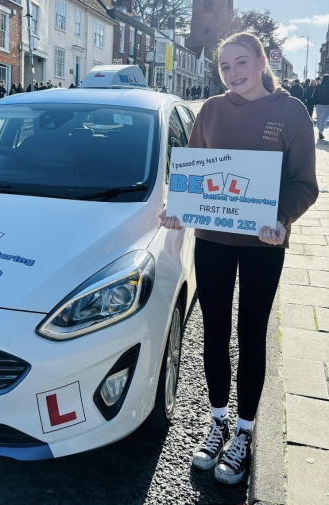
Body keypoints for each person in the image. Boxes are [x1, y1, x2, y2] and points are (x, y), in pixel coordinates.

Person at [160, 32, 318, 485]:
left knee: (251, 334)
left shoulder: (291, 113)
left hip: (260, 245)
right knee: (212, 330)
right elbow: (192, 170)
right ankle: (216, 421)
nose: (232, 73)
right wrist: (178, 209)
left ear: (262, 61)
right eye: (224, 67)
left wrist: (283, 218)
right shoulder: (209, 110)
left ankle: (245, 431)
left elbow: (304, 184)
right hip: (212, 240)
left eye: (241, 62)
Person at [313, 74, 329, 140]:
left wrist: (315, 103)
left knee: (319, 119)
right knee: (324, 119)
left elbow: (314, 95)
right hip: (327, 104)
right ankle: (321, 131)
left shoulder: (318, 86)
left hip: (319, 104)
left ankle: (319, 130)